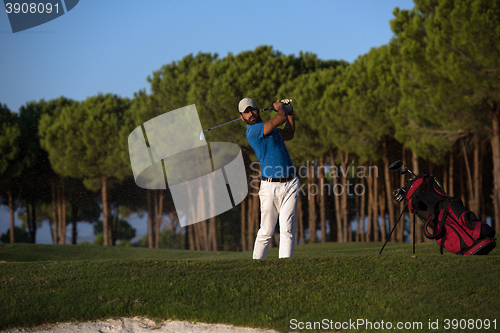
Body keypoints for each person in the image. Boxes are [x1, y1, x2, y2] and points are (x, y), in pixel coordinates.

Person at [239, 97, 300, 259]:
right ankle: (256, 266)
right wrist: (280, 107)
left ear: (257, 110)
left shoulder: (270, 129)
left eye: (252, 109)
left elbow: (289, 133)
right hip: (270, 187)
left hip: (291, 183)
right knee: (266, 231)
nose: (251, 114)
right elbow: (279, 118)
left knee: (288, 230)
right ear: (242, 117)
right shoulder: (252, 132)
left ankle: (285, 268)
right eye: (246, 112)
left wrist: (290, 112)